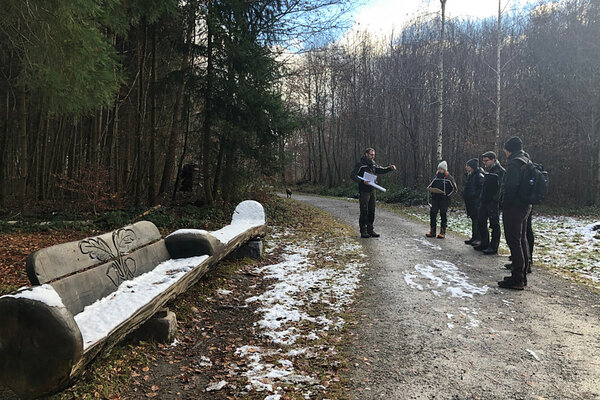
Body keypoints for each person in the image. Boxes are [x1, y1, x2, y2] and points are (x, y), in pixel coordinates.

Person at [498, 136, 531, 290]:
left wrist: (504, 204)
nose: (505, 153)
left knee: (514, 241)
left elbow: (510, 187)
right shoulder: (526, 160)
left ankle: (517, 278)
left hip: (514, 207)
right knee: (522, 239)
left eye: (505, 150)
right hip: (525, 206)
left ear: (509, 149)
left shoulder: (514, 164)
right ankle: (522, 275)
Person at [351, 148, 397, 238]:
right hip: (364, 190)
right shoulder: (360, 165)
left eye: (373, 155)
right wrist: (362, 181)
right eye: (371, 155)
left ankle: (370, 229)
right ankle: (363, 231)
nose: (373, 156)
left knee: (372, 210)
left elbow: (380, 170)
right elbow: (353, 175)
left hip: (372, 189)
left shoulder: (373, 164)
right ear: (366, 154)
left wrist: (389, 168)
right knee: (364, 210)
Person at [475, 151, 505, 254]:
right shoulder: (487, 170)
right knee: (481, 221)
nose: (485, 163)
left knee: (494, 224)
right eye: (483, 161)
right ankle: (484, 242)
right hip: (484, 200)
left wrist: (495, 199)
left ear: (493, 159)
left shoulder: (500, 171)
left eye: (486, 161)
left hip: (493, 202)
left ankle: (493, 246)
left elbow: (501, 187)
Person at [426, 161, 457, 239]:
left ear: (445, 170)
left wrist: (446, 195)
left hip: (444, 200)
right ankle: (432, 231)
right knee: (433, 213)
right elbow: (430, 186)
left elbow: (454, 189)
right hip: (435, 199)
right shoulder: (435, 178)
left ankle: (442, 232)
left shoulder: (449, 178)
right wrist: (431, 191)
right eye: (439, 169)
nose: (440, 170)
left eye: (441, 169)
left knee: (443, 214)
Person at [463, 158, 484, 245]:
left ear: (472, 167)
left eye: (468, 166)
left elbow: (481, 188)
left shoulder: (479, 175)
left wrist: (473, 195)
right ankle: (474, 237)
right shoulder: (470, 175)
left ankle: (478, 238)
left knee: (477, 220)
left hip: (476, 201)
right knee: (473, 219)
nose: (466, 167)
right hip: (471, 201)